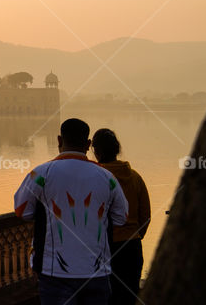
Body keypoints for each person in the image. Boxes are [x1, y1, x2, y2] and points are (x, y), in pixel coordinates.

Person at [14, 118, 129, 305]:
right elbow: (121, 218)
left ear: (59, 140)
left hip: (54, 272)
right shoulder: (108, 178)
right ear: (88, 144)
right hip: (97, 271)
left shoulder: (41, 174)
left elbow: (22, 211)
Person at [92, 128, 150, 305]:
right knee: (128, 298)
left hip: (103, 249)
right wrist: (134, 235)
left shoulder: (94, 178)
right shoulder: (135, 177)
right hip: (132, 247)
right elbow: (145, 216)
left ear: (97, 151)